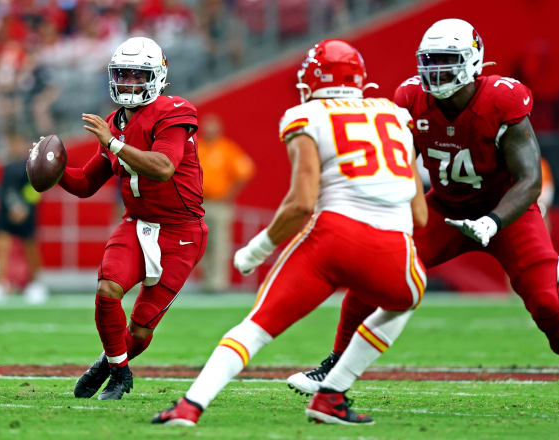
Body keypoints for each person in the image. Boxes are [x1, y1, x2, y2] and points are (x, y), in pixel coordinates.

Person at [286, 18, 559, 420]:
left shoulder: (501, 99)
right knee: (372, 269)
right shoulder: (411, 97)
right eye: (428, 61)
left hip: (507, 213)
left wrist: (493, 222)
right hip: (443, 208)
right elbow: (398, 161)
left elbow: (530, 180)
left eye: (446, 61)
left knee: (550, 304)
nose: (434, 71)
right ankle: (334, 365)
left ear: (473, 61)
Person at [152, 39, 428, 426]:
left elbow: (301, 202)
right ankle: (333, 394)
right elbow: (420, 213)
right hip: (392, 247)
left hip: (332, 239)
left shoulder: (308, 114)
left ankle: (189, 407)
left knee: (257, 327)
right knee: (405, 300)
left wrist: (257, 248)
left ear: (315, 78)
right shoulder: (395, 116)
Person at [51, 37, 206, 400]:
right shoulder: (115, 121)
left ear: (156, 77)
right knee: (108, 291)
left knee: (139, 328)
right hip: (136, 223)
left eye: (137, 76)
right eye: (122, 74)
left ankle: (105, 364)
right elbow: (87, 183)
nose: (128, 83)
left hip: (180, 232)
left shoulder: (175, 111)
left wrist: (115, 144)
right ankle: (120, 373)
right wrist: (53, 169)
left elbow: (165, 167)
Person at [196, 113, 255, 291]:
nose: (209, 132)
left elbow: (245, 171)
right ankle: (206, 281)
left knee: (220, 243)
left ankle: (218, 283)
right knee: (199, 244)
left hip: (219, 204)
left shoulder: (227, 149)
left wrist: (229, 194)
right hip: (198, 204)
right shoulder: (198, 148)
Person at [0, 130, 47, 304]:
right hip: (6, 213)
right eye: (12, 143)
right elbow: (5, 191)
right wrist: (13, 207)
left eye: (18, 143)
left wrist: (24, 208)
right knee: (2, 247)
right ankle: (1, 284)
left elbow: (36, 189)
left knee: (30, 249)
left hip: (27, 213)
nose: (14, 147)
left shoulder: (32, 166)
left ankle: (36, 285)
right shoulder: (6, 166)